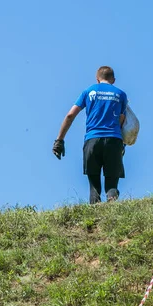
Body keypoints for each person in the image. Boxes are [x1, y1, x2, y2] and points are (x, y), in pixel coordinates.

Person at [53, 66, 128, 204]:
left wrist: (60, 140)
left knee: (94, 187)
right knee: (111, 185)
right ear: (113, 80)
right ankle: (112, 209)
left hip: (92, 141)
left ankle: (95, 217)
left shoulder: (88, 92)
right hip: (114, 140)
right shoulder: (121, 94)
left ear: (97, 79)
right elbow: (122, 120)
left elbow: (70, 115)